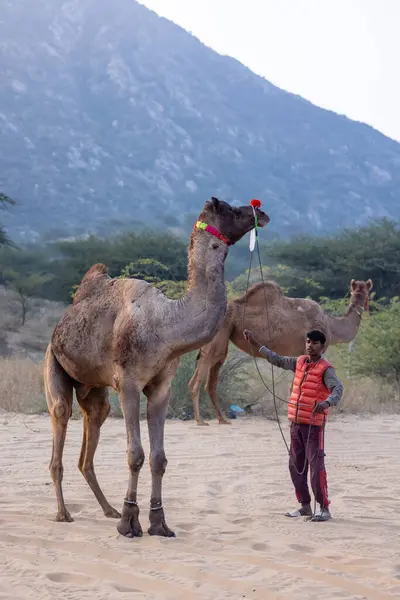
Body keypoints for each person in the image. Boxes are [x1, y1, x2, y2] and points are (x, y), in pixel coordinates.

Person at [243, 328, 343, 522]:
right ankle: (305, 506)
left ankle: (324, 509)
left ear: (322, 347)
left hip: (314, 426)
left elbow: (337, 388)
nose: (310, 346)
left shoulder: (326, 369)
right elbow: (276, 359)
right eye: (308, 342)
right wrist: (255, 342)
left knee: (316, 466)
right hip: (296, 424)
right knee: (295, 465)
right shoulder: (299, 362)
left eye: (314, 343)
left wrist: (327, 403)